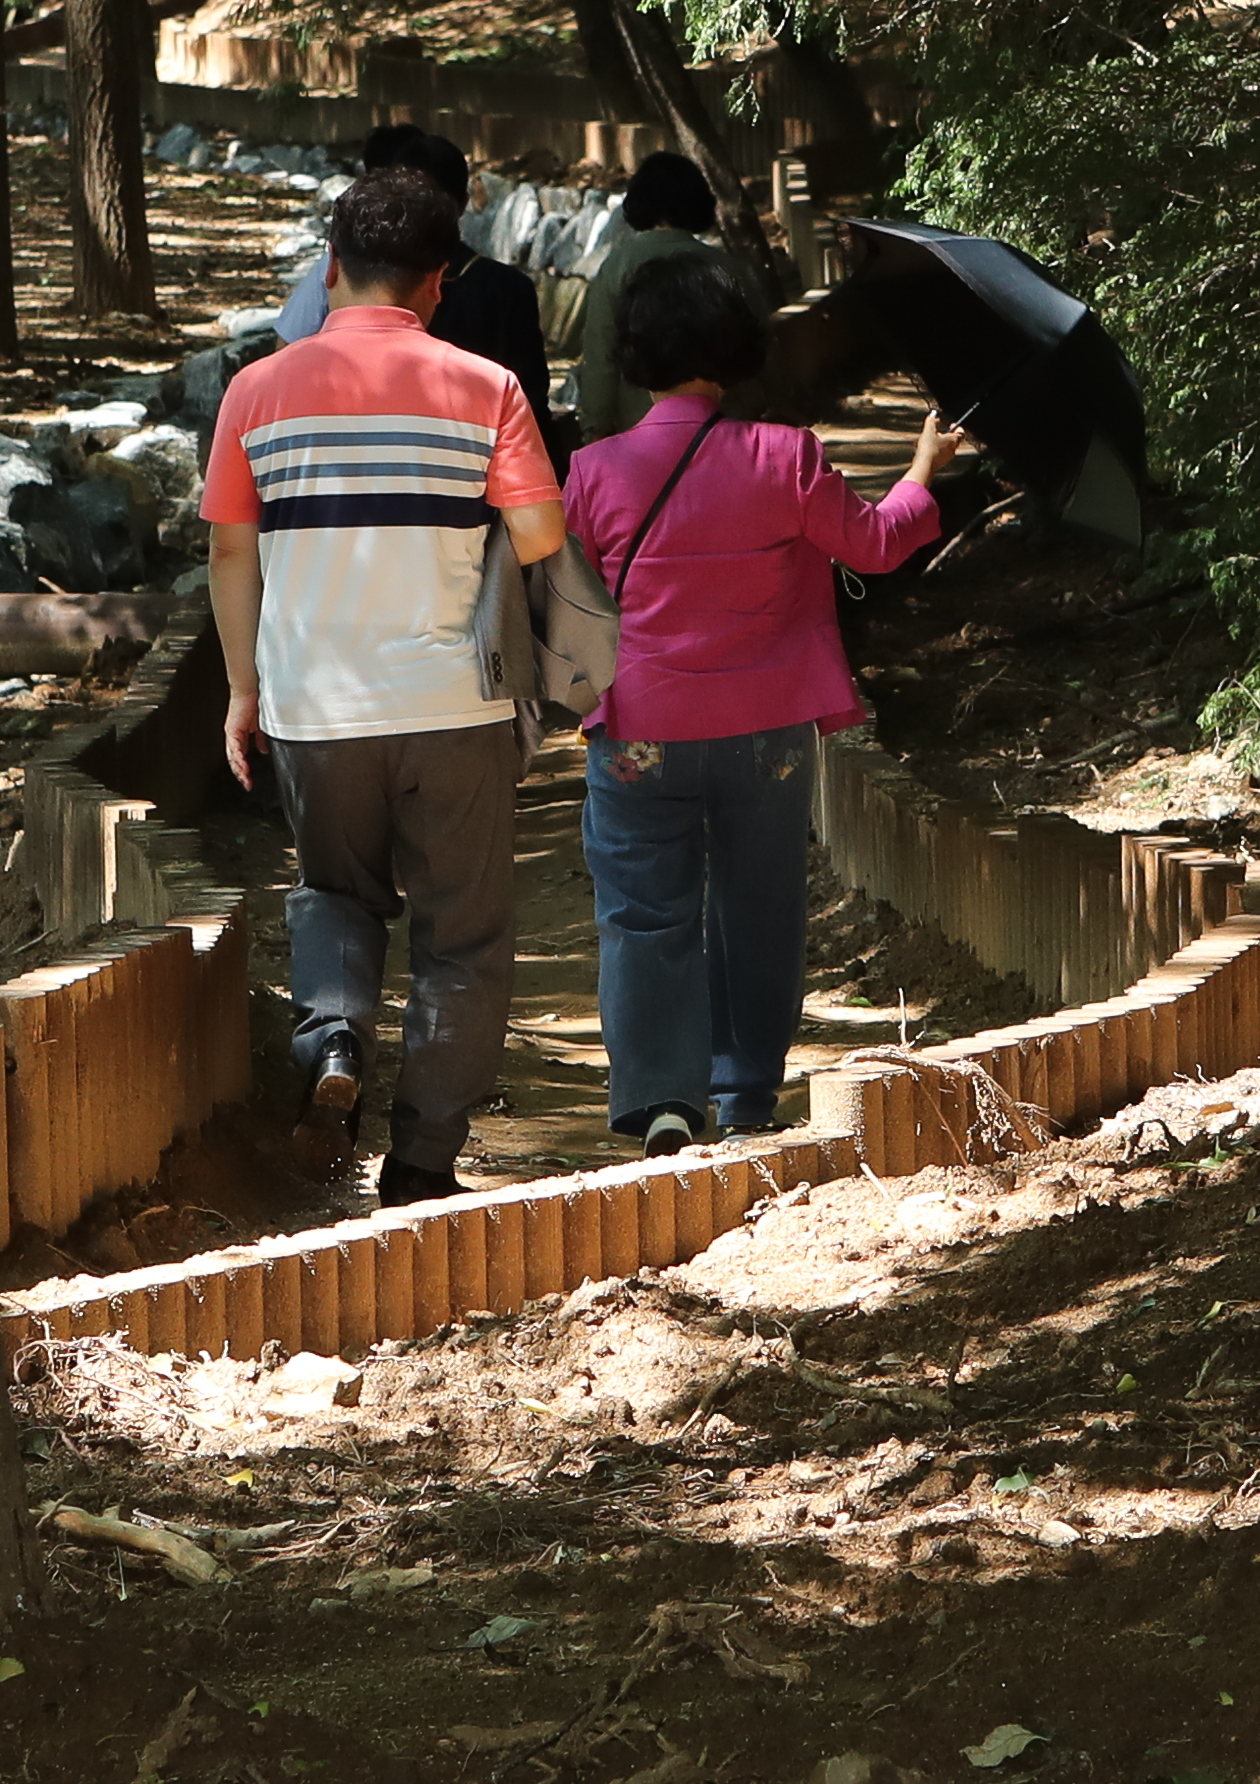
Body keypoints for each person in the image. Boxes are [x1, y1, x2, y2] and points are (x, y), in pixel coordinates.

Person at [206, 164, 569, 1201]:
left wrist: (245, 693)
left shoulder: (256, 392)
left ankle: (333, 1047)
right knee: (462, 935)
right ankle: (419, 1166)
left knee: (335, 893)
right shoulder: (483, 388)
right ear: (437, 283)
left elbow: (232, 556)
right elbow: (540, 535)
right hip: (456, 705)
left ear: (330, 272)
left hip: (316, 709)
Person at [564, 255, 955, 1146]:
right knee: (761, 905)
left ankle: (663, 1097)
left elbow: (562, 594)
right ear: (734, 345)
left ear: (638, 353)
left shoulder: (593, 472)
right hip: (767, 733)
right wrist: (921, 471)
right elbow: (878, 546)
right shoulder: (786, 455)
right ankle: (743, 1099)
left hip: (640, 728)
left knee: (641, 912)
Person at [275, 123, 563, 467]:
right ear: (464, 202)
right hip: (480, 468)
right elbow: (531, 403)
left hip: (367, 462)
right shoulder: (508, 288)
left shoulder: (360, 271)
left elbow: (287, 354)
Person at [567, 149, 728, 444]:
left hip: (639, 432)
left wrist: (596, 424)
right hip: (722, 428)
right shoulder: (725, 266)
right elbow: (760, 345)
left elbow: (601, 351)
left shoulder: (618, 266)